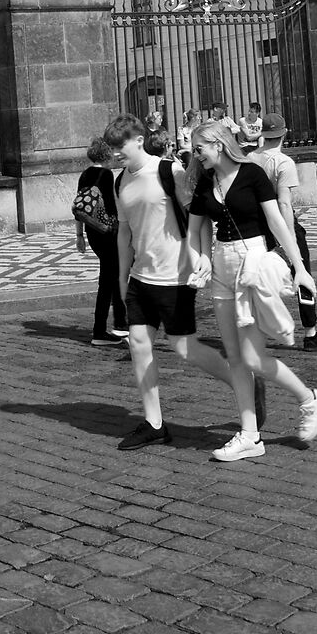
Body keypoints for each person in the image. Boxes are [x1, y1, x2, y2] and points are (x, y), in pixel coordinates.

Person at [185, 118, 317, 463]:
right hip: (222, 264)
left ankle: (308, 398)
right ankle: (250, 435)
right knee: (235, 358)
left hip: (253, 262)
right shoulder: (205, 182)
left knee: (252, 357)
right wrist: (199, 259)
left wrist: (300, 268)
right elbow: (195, 229)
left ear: (218, 144)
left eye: (199, 148)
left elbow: (276, 221)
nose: (196, 154)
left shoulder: (252, 174)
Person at [106, 114, 243, 450]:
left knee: (185, 348)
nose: (115, 153)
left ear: (138, 140)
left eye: (120, 146)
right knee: (138, 343)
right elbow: (124, 232)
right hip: (141, 276)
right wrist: (121, 277)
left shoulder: (169, 171)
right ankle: (154, 423)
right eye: (112, 148)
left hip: (175, 275)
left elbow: (198, 218)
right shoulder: (119, 181)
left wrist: (203, 257)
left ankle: (244, 384)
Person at [251, 114, 317, 347]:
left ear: (263, 134)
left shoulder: (250, 158)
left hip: (257, 224)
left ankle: (256, 329)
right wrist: (290, 237)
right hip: (280, 221)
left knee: (259, 275)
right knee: (302, 273)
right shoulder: (283, 163)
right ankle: (310, 332)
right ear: (284, 133)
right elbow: (284, 202)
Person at [73, 139, 127, 344]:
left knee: (113, 275)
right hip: (108, 231)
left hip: (93, 231)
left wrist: (79, 236)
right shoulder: (106, 175)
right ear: (106, 155)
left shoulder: (84, 174)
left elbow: (80, 207)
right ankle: (100, 331)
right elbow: (113, 205)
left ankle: (120, 323)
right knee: (108, 280)